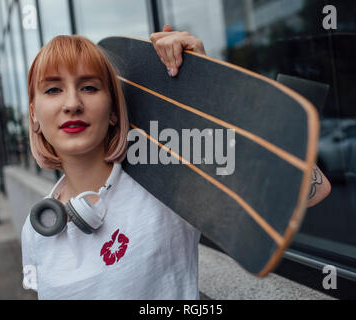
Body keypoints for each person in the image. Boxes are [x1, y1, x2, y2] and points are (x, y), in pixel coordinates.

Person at [21, 25, 330, 300]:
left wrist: (207, 92)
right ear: (34, 114)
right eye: (53, 89)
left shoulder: (166, 184)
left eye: (89, 87)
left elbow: (313, 190)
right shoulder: (36, 230)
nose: (72, 103)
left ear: (114, 110)